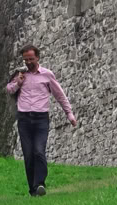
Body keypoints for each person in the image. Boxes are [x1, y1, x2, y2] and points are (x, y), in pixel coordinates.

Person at [4, 45, 77, 196]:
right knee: (28, 155)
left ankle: (40, 184)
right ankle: (33, 190)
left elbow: (59, 95)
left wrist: (69, 114)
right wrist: (18, 82)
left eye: (31, 59)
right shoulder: (20, 74)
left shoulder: (47, 75)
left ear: (37, 57)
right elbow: (9, 90)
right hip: (24, 118)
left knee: (39, 151)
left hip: (41, 119)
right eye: (26, 60)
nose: (28, 62)